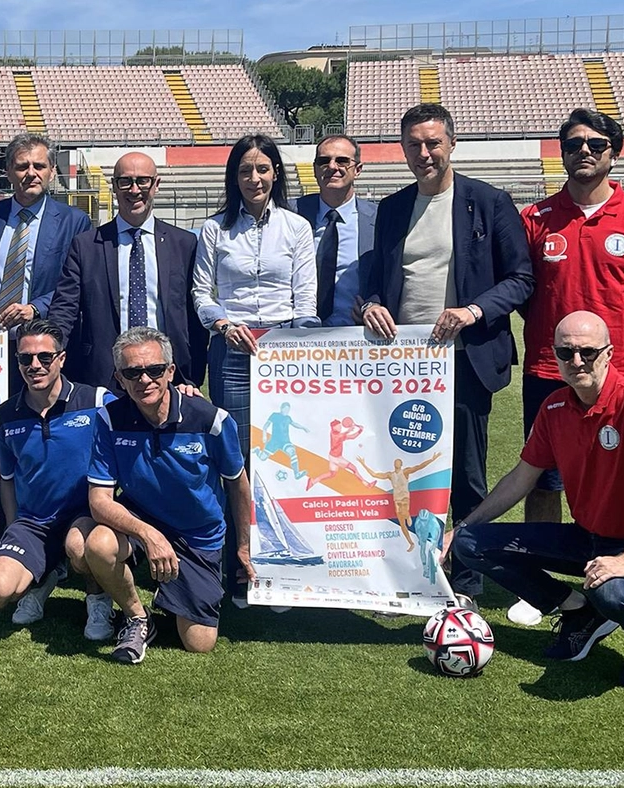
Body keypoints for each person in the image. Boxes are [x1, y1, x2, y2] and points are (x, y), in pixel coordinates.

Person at [449, 312, 624, 691]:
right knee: (470, 544)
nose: (576, 361)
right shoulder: (554, 408)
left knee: (611, 590)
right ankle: (578, 613)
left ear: (609, 353)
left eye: (587, 352)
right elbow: (520, 479)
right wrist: (460, 528)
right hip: (589, 539)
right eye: (566, 352)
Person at [360, 103, 534, 602]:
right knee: (402, 475)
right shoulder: (392, 209)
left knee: (466, 474)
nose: (424, 153)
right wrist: (371, 304)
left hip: (465, 360)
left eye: (433, 142)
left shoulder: (489, 201)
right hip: (401, 365)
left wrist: (473, 311)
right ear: (403, 149)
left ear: (451, 143)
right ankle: (407, 573)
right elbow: (376, 284)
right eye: (414, 144)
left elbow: (521, 279)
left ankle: (466, 581)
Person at [511, 108, 624, 626]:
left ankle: (622, 572)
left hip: (620, 374)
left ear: (613, 153)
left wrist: (610, 346)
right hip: (547, 367)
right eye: (574, 142)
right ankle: (549, 589)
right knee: (544, 476)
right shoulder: (535, 219)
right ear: (560, 150)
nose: (584, 150)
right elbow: (524, 290)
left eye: (596, 144)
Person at [83, 327, 249, 663]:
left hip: (198, 534)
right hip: (143, 524)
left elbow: (238, 484)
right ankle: (137, 617)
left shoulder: (211, 420)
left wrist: (244, 546)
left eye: (155, 370)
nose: (144, 380)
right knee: (96, 544)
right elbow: (98, 500)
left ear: (171, 372)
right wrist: (149, 533)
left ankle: (178, 588)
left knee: (199, 642)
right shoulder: (109, 419)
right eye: (132, 372)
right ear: (120, 378)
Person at [0, 319, 115, 639]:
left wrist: (181, 391)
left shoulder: (97, 401)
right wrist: (13, 529)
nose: (34, 365)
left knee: (81, 549)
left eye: (44, 357)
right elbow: (8, 480)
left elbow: (143, 418)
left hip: (84, 515)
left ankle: (98, 599)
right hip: (34, 523)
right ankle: (44, 577)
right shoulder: (4, 415)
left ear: (62, 359)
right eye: (25, 359)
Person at [48, 152, 207, 390]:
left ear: (156, 185)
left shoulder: (183, 244)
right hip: (104, 376)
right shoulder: (86, 245)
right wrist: (49, 351)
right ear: (114, 186)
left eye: (143, 181)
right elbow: (65, 309)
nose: (134, 190)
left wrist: (191, 377)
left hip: (168, 375)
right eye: (125, 181)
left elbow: (195, 319)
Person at [191, 135, 318, 427]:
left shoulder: (297, 227)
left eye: (262, 169)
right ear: (234, 177)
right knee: (238, 442)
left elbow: (305, 292)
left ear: (275, 171)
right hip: (232, 347)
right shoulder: (214, 228)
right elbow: (201, 292)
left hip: (285, 345)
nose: (254, 179)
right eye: (245, 171)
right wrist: (224, 327)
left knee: (287, 441)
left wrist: (301, 343)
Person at [0, 133, 91, 392]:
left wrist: (35, 308)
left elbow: (78, 285)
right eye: (22, 166)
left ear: (52, 172)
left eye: (39, 166)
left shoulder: (74, 221)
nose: (31, 173)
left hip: (45, 348)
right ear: (9, 172)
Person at [293, 135, 378, 327]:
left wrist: (374, 304)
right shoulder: (290, 215)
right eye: (324, 161)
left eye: (342, 161)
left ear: (357, 170)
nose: (332, 167)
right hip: (297, 339)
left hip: (357, 337)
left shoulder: (380, 220)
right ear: (315, 169)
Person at [356, 452, 442, 552]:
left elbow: (419, 467)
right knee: (402, 524)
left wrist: (432, 459)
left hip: (404, 497)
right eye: (395, 462)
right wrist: (363, 464)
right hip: (396, 498)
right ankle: (411, 542)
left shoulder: (405, 472)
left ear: (401, 464)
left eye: (398, 462)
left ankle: (407, 515)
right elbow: (375, 474)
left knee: (404, 511)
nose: (396, 464)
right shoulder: (390, 475)